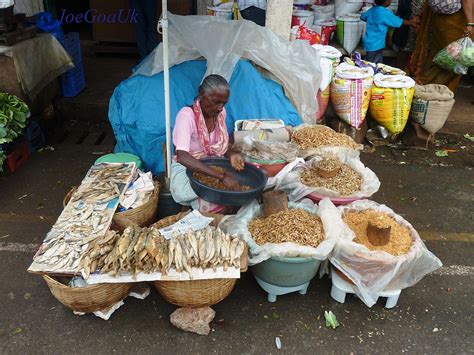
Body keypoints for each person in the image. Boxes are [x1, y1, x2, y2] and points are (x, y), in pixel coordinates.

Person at [170, 74, 245, 213]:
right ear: (201, 94)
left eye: (224, 103)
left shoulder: (220, 114)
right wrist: (221, 177)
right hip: (187, 167)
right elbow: (181, 156)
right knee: (212, 195)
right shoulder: (187, 116)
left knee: (241, 182)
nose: (219, 107)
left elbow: (220, 145)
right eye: (215, 101)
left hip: (212, 163)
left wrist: (231, 154)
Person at [410, 0, 473, 92]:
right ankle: (434, 91)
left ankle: (423, 86)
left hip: (439, 19)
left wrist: (419, 15)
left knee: (437, 54)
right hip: (455, 20)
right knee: (456, 57)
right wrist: (471, 23)